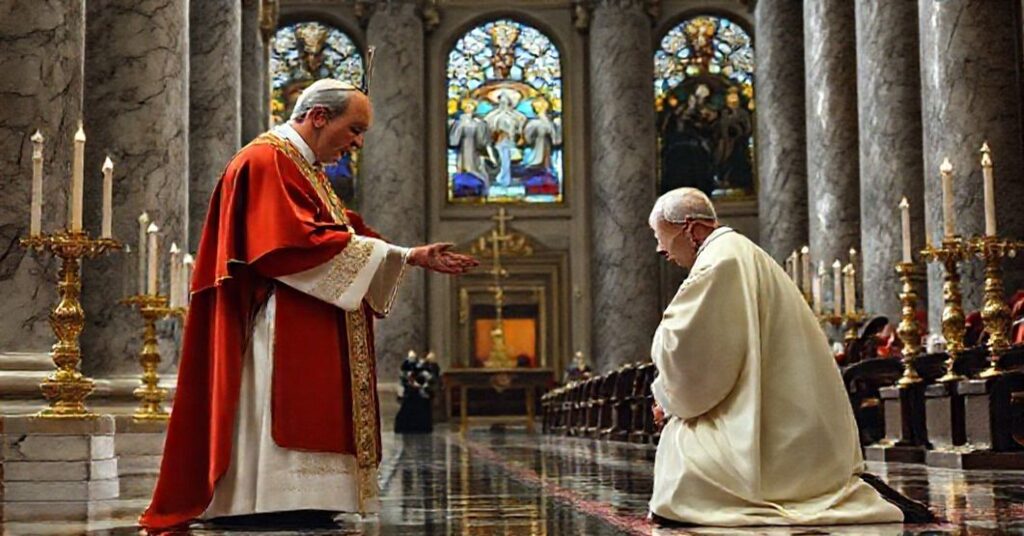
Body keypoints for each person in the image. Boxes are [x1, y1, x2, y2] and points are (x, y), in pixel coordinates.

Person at [140, 79, 478, 531]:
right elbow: (292, 244)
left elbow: (343, 234)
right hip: (283, 317)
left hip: (313, 311)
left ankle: (309, 498)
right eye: (354, 129)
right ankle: (269, 498)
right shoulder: (267, 160)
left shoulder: (306, 168)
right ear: (319, 116)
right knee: (284, 402)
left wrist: (408, 255)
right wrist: (395, 255)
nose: (357, 143)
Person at [646, 187, 930, 526]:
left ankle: (781, 489)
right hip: (795, 423)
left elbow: (695, 358)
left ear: (691, 228)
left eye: (661, 236)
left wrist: (668, 400)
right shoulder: (738, 253)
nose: (660, 248)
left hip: (779, 438)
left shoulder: (718, 264)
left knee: (682, 465)